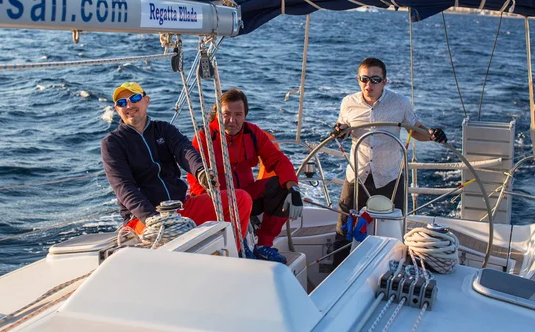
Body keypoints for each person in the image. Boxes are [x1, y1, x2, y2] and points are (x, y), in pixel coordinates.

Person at [101, 81, 252, 249]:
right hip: (142, 219)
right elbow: (124, 188)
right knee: (166, 242)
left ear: (146, 101)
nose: (128, 105)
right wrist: (152, 218)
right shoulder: (112, 144)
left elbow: (185, 150)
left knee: (240, 200)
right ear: (117, 110)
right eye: (121, 103)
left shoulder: (164, 129)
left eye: (134, 98)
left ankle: (234, 253)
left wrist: (201, 171)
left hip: (179, 209)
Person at [330, 58, 447, 261]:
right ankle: (337, 271)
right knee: (344, 230)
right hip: (357, 176)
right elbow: (344, 129)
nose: (369, 85)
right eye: (364, 79)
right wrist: (340, 131)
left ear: (385, 81)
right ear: (358, 80)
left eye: (375, 79)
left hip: (389, 177)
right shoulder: (348, 103)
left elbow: (415, 129)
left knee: (393, 232)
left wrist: (432, 134)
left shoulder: (400, 103)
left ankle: (392, 271)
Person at [187, 88, 303, 264]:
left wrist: (293, 189)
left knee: (281, 187)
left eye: (238, 114)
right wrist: (220, 202)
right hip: (218, 202)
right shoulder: (204, 138)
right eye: (226, 114)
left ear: (245, 115)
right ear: (217, 114)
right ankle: (239, 245)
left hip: (248, 197)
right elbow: (195, 181)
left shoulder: (253, 133)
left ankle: (264, 246)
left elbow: (278, 160)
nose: (232, 120)